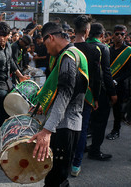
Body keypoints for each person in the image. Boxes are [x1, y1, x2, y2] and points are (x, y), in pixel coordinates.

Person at [27, 22, 89, 186]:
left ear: (51, 38)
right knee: (54, 176)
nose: (46, 49)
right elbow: (57, 90)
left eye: (45, 43)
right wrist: (43, 104)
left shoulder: (68, 57)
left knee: (57, 179)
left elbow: (65, 94)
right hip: (63, 125)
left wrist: (47, 130)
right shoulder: (69, 54)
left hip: (65, 127)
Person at [0, 22, 29, 145]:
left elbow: (11, 62)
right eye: (0, 35)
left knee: (11, 110)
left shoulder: (9, 46)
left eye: (5, 35)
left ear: (9, 35)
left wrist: (20, 76)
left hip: (8, 83)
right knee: (3, 112)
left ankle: (6, 132)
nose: (2, 38)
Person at [71, 15, 101, 176]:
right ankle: (76, 165)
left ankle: (66, 159)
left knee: (67, 128)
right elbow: (96, 78)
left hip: (67, 96)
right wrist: (95, 98)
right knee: (82, 130)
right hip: (86, 96)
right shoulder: (94, 50)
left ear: (74, 30)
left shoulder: (65, 48)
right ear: (87, 31)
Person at [86, 23, 117, 161]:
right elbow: (106, 73)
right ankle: (95, 150)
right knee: (100, 122)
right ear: (102, 35)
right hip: (99, 92)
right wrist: (112, 92)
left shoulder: (79, 45)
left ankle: (83, 146)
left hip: (83, 92)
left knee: (86, 121)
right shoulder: (103, 48)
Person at [106, 25, 131, 140]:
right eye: (117, 34)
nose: (119, 36)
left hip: (120, 85)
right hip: (107, 84)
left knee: (117, 110)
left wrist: (117, 80)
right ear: (113, 36)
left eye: (122, 34)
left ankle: (116, 130)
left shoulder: (128, 51)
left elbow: (129, 71)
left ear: (125, 35)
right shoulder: (108, 49)